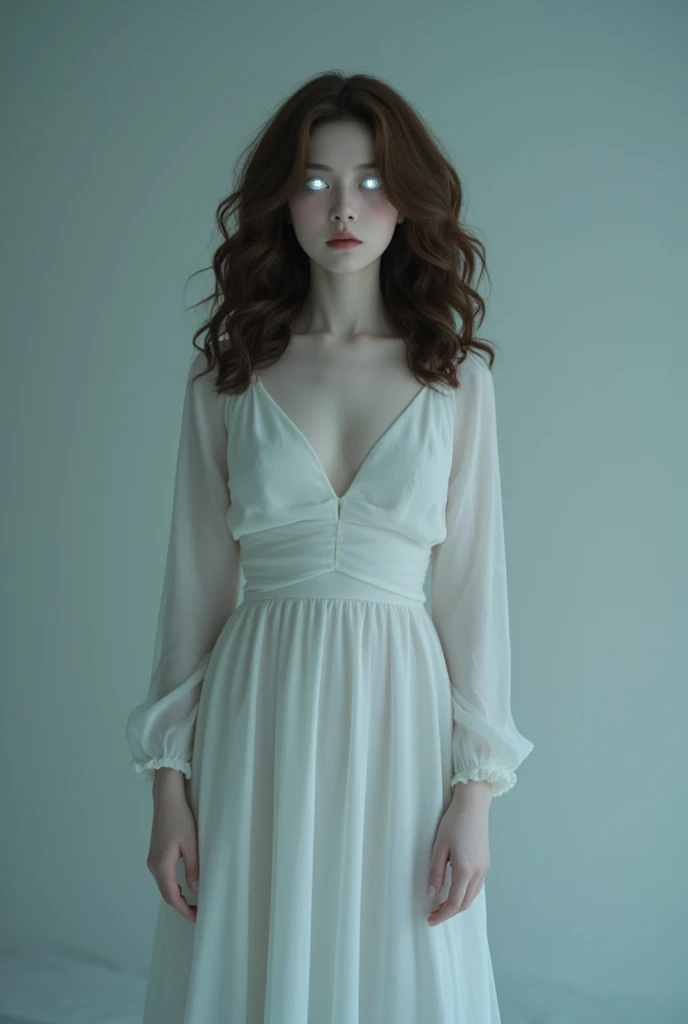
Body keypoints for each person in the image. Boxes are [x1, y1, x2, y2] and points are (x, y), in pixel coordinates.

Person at [125, 70, 534, 1024]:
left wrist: (474, 799)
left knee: (398, 962)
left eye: (369, 180)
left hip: (402, 713)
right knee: (258, 955)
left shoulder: (455, 380)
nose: (342, 207)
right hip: (258, 709)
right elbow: (191, 593)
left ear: (409, 200)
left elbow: (474, 595)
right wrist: (169, 791)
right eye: (314, 182)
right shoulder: (227, 375)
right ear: (283, 201)